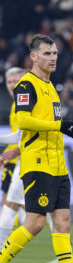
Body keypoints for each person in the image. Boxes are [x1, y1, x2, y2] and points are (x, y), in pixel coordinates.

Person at [0, 34, 73, 263]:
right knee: (34, 223)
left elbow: (44, 121)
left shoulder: (50, 87)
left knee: (63, 221)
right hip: (37, 162)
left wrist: (64, 127)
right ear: (33, 57)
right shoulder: (27, 84)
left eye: (55, 53)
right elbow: (23, 121)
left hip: (57, 164)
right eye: (47, 53)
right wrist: (61, 125)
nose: (53, 57)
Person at [0, 68, 25, 212]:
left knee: (9, 203)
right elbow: (16, 134)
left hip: (20, 159)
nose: (12, 85)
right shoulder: (15, 104)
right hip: (14, 158)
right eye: (9, 82)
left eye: (16, 81)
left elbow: (27, 133)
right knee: (11, 202)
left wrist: (16, 151)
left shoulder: (23, 104)